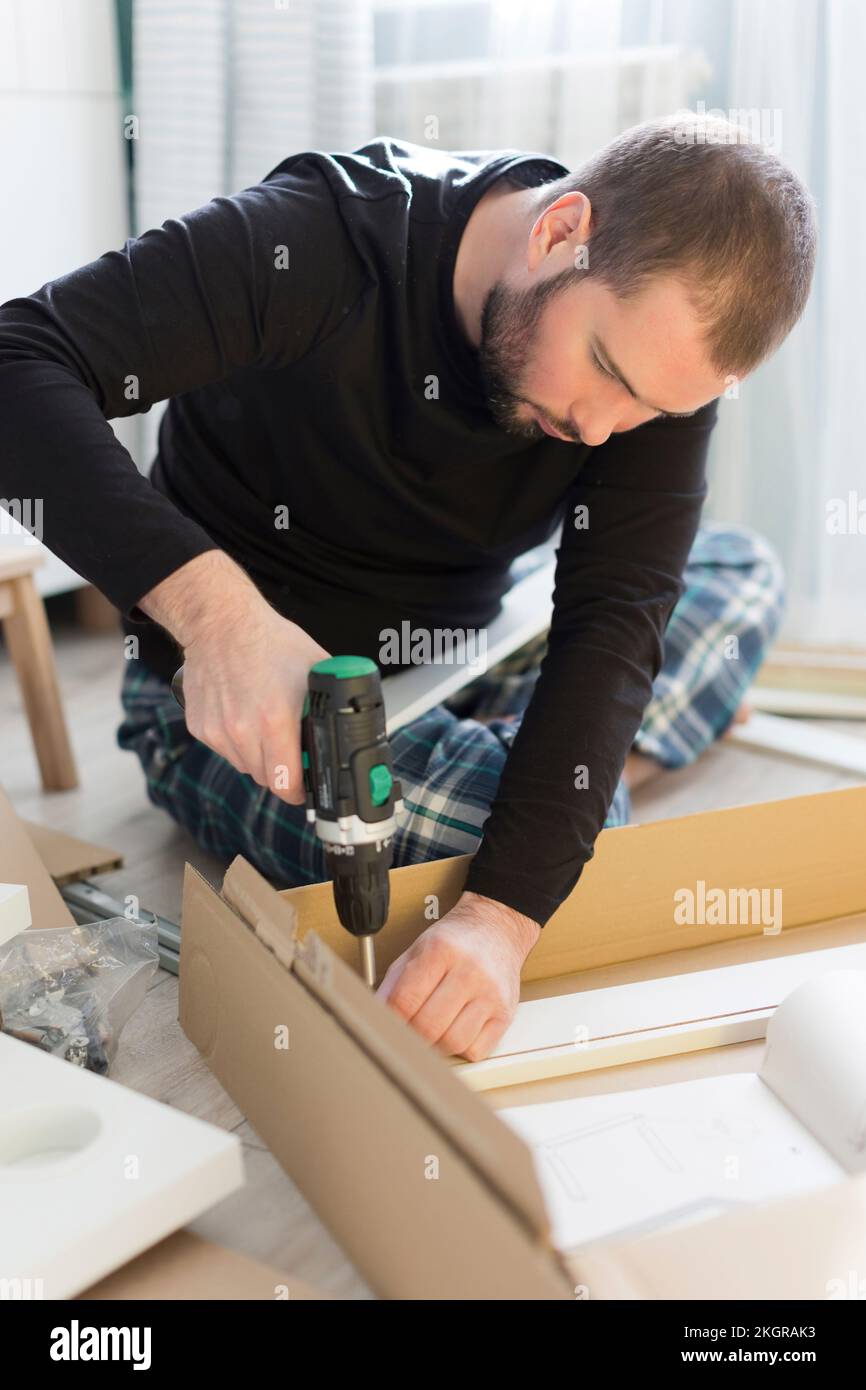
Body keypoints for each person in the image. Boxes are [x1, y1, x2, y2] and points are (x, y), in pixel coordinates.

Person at [0, 112, 815, 1060]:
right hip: (249, 702)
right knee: (564, 839)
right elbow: (15, 366)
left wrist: (499, 921)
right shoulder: (318, 240)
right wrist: (215, 617)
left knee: (741, 577)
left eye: (652, 411)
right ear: (559, 233)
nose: (603, 431)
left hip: (471, 651)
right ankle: (567, 771)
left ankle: (539, 770)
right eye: (603, 372)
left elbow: (614, 619)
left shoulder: (648, 369)